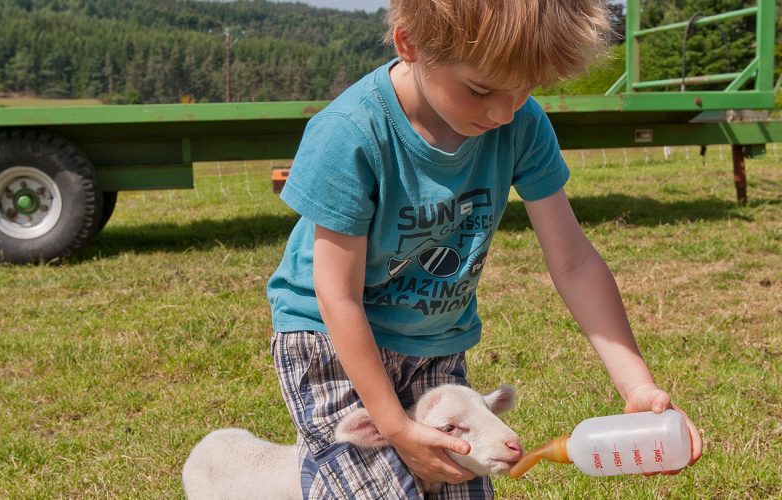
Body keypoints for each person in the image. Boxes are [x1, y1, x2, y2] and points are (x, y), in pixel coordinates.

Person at [266, 0, 703, 497]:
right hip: (331, 341)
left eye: (525, 88)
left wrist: (637, 386)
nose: (503, 111)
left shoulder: (521, 122)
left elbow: (575, 261)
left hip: (435, 343)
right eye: (480, 90)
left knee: (456, 487)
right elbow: (336, 294)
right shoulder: (351, 132)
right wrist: (396, 427)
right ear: (409, 44)